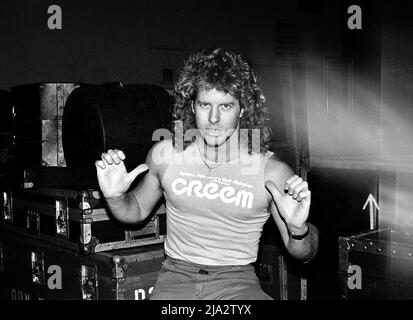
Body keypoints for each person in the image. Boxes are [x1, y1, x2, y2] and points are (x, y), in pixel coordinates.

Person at [95, 47, 319, 300]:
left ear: (242, 109)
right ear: (192, 106)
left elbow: (304, 253)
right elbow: (134, 211)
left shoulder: (272, 172)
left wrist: (298, 229)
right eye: (205, 105)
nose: (214, 118)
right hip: (175, 278)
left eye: (225, 106)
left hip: (236, 282)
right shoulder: (166, 154)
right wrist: (114, 195)